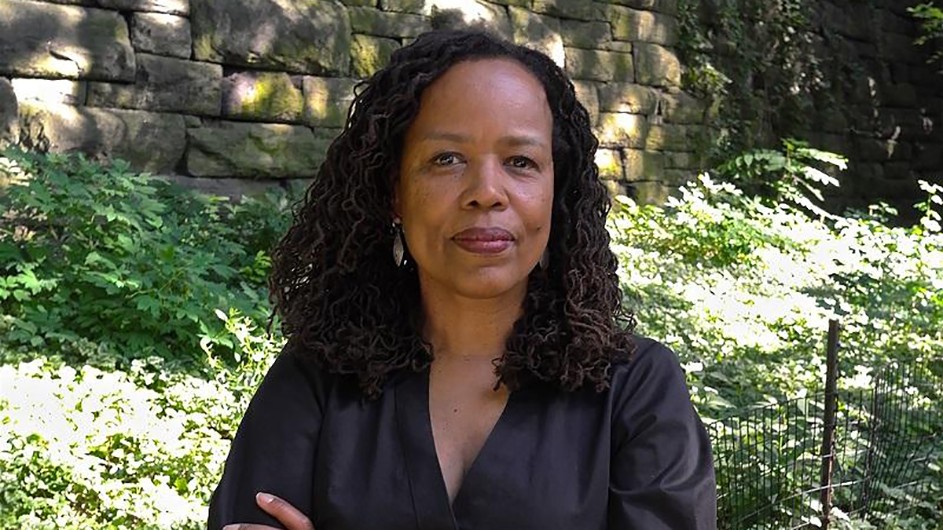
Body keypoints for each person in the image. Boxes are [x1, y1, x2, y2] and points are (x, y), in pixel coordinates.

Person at [208, 29, 716, 530]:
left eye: (520, 161)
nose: (486, 192)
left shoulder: (635, 390)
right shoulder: (316, 378)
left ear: (556, 193)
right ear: (393, 191)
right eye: (446, 159)